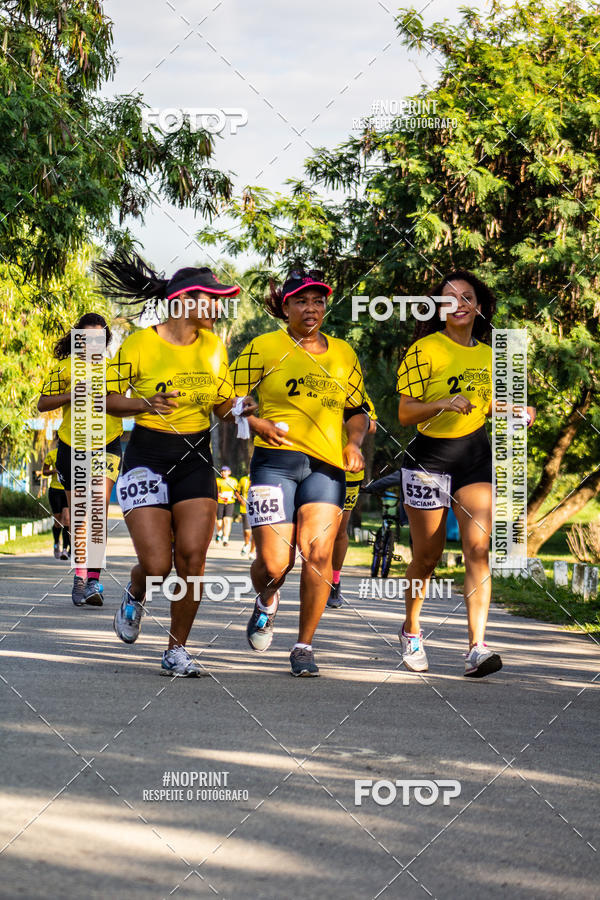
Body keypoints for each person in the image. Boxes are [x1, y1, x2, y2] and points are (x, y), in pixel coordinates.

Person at [95, 251, 255, 677]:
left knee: (192, 561)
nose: (219, 307)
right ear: (185, 300)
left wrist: (239, 407)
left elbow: (222, 406)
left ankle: (176, 650)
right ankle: (136, 589)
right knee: (157, 566)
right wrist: (144, 403)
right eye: (213, 299)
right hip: (147, 455)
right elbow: (108, 398)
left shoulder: (215, 347)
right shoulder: (140, 344)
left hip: (196, 457)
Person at [396, 270, 536, 678]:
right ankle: (411, 631)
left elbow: (486, 405)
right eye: (449, 298)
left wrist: (518, 410)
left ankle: (477, 646)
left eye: (467, 297)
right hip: (428, 461)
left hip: (474, 459)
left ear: (479, 305)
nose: (459, 304)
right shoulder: (423, 350)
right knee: (427, 556)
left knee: (477, 549)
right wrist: (442, 402)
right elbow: (405, 413)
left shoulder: (488, 354)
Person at [231, 266, 369, 677]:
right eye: (302, 301)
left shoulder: (344, 354)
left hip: (326, 466)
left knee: (318, 555)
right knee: (275, 565)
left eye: (318, 301)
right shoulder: (264, 347)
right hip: (274, 462)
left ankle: (304, 645)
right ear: (285, 306)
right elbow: (228, 399)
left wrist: (353, 443)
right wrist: (254, 421)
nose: (311, 308)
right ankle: (266, 601)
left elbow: (357, 411)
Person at [37, 313, 122, 606]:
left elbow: (123, 402)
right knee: (81, 517)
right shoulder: (65, 368)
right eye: (86, 338)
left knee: (97, 510)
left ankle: (94, 582)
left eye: (99, 338)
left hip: (107, 444)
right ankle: (80, 577)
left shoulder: (114, 369)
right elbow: (42, 403)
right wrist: (70, 395)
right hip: (72, 446)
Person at [328, 399, 377, 608]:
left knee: (339, 529)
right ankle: (314, 579)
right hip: (316, 463)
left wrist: (346, 421)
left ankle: (334, 582)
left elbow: (373, 424)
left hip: (348, 468)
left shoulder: (356, 392)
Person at [42, 441, 70, 560]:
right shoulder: (52, 454)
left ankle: (65, 549)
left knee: (67, 520)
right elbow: (44, 471)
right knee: (57, 521)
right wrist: (54, 471)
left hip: (67, 490)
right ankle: (56, 543)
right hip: (55, 491)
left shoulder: (74, 455)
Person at [215, 465, 238, 546]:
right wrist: (220, 495)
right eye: (222, 471)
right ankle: (219, 532)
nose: (224, 473)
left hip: (230, 502)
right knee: (219, 522)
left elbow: (236, 492)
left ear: (229, 472)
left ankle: (225, 539)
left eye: (225, 471)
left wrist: (235, 496)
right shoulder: (218, 481)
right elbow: (215, 492)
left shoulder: (233, 481)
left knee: (227, 521)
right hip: (220, 502)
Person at [235, 472, 255, 558]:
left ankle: (252, 551)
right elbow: (236, 491)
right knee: (247, 531)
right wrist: (241, 500)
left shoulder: (261, 478)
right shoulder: (243, 480)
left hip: (257, 510)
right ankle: (247, 544)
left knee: (255, 532)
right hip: (245, 509)